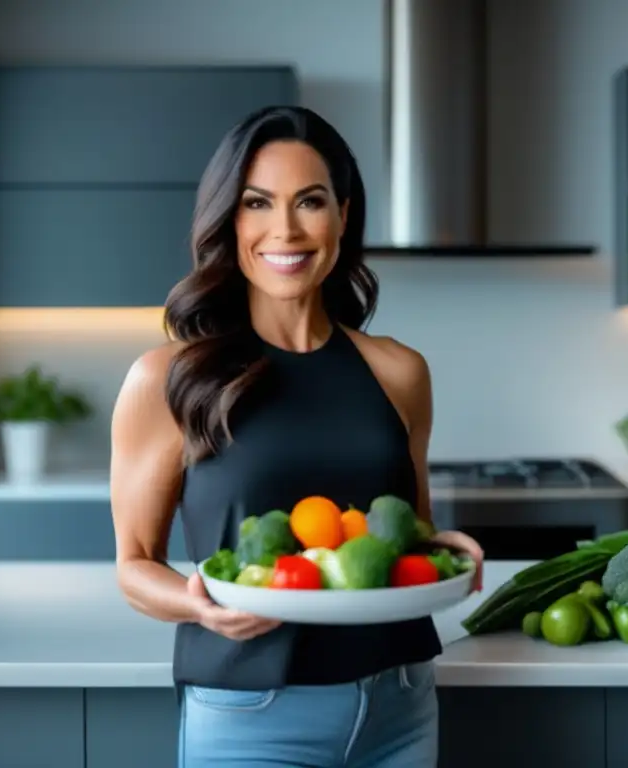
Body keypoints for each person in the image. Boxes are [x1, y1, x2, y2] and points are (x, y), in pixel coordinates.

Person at [109, 105, 484, 768]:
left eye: (309, 201)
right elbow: (135, 567)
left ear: (342, 213)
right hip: (251, 713)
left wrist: (450, 551)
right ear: (229, 218)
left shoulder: (399, 371)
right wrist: (202, 609)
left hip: (399, 703)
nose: (284, 229)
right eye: (257, 203)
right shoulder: (167, 379)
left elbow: (407, 536)